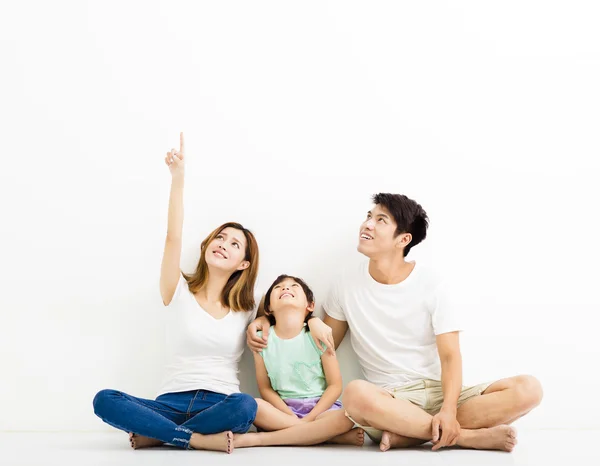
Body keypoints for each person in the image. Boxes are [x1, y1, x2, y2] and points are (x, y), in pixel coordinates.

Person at [248, 193, 543, 453]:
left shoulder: (432, 284)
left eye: (380, 220)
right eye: (368, 217)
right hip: (389, 399)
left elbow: (450, 356)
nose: (367, 225)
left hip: (440, 392)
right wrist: (270, 318)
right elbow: (324, 348)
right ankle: (464, 438)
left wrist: (450, 411)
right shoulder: (345, 284)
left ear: (403, 239)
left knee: (529, 389)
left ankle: (413, 434)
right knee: (355, 394)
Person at [92, 133, 261, 453]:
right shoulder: (177, 289)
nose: (223, 244)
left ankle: (160, 436)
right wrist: (178, 179)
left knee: (245, 406)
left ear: (243, 264)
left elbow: (285, 316)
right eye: (220, 238)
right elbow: (173, 236)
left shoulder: (247, 309)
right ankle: (192, 439)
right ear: (207, 244)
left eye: (234, 244)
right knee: (105, 400)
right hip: (169, 403)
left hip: (220, 404)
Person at [232, 275, 363, 449]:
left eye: (294, 286)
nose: (286, 288)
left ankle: (260, 439)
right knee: (255, 406)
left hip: (320, 409)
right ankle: (324, 435)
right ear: (268, 308)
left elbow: (335, 385)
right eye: (278, 287)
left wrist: (311, 417)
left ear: (309, 305)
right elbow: (265, 388)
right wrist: (290, 415)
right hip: (283, 410)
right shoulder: (261, 339)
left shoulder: (319, 335)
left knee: (347, 417)